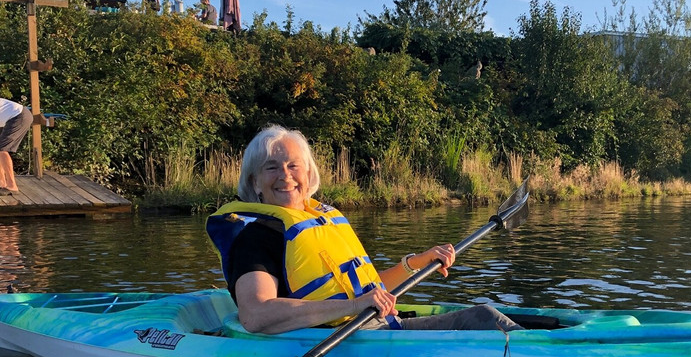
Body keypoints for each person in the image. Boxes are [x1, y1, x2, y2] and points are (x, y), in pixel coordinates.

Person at [207, 124, 521, 334]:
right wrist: (357, 306)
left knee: (486, 315)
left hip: (380, 329)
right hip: (342, 345)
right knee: (484, 318)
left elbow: (367, 290)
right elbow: (256, 315)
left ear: (308, 173)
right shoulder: (256, 237)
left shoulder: (321, 220)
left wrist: (414, 264)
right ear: (254, 182)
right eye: (271, 167)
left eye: (293, 166)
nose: (285, 176)